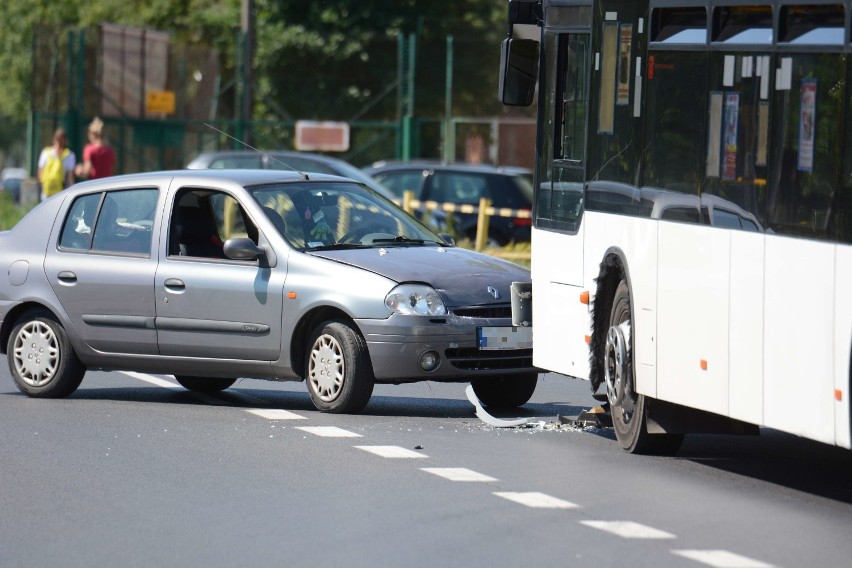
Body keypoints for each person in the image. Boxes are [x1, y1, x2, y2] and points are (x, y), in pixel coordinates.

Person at [38, 127, 76, 200]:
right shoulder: (69, 155)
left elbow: (40, 173)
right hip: (59, 192)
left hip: (46, 192)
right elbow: (70, 178)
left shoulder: (45, 152)